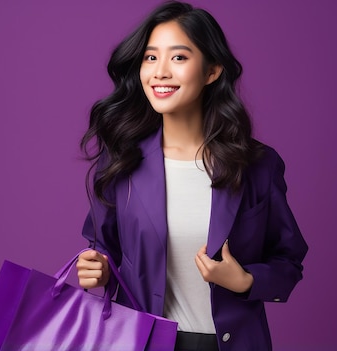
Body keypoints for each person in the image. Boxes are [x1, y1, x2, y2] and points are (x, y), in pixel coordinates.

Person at [76, 1, 308, 350]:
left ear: (212, 70)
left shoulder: (258, 164)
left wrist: (245, 280)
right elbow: (105, 247)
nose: (160, 72)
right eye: (151, 58)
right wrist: (100, 269)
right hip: (142, 343)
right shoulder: (123, 158)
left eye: (179, 58)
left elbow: (288, 261)